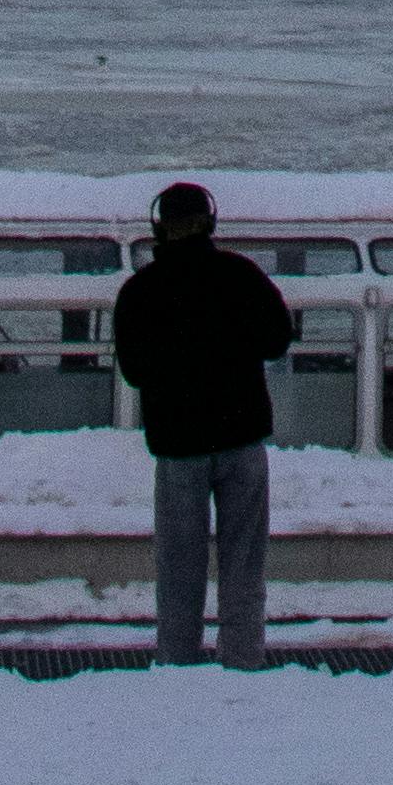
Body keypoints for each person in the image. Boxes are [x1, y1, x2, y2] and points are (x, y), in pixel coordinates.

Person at [111, 178, 296, 662]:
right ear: (210, 222)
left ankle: (178, 662)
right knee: (243, 564)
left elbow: (133, 372)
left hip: (178, 448)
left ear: (159, 227)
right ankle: (241, 659)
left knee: (178, 567)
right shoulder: (241, 275)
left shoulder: (140, 291)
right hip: (241, 440)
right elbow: (277, 339)